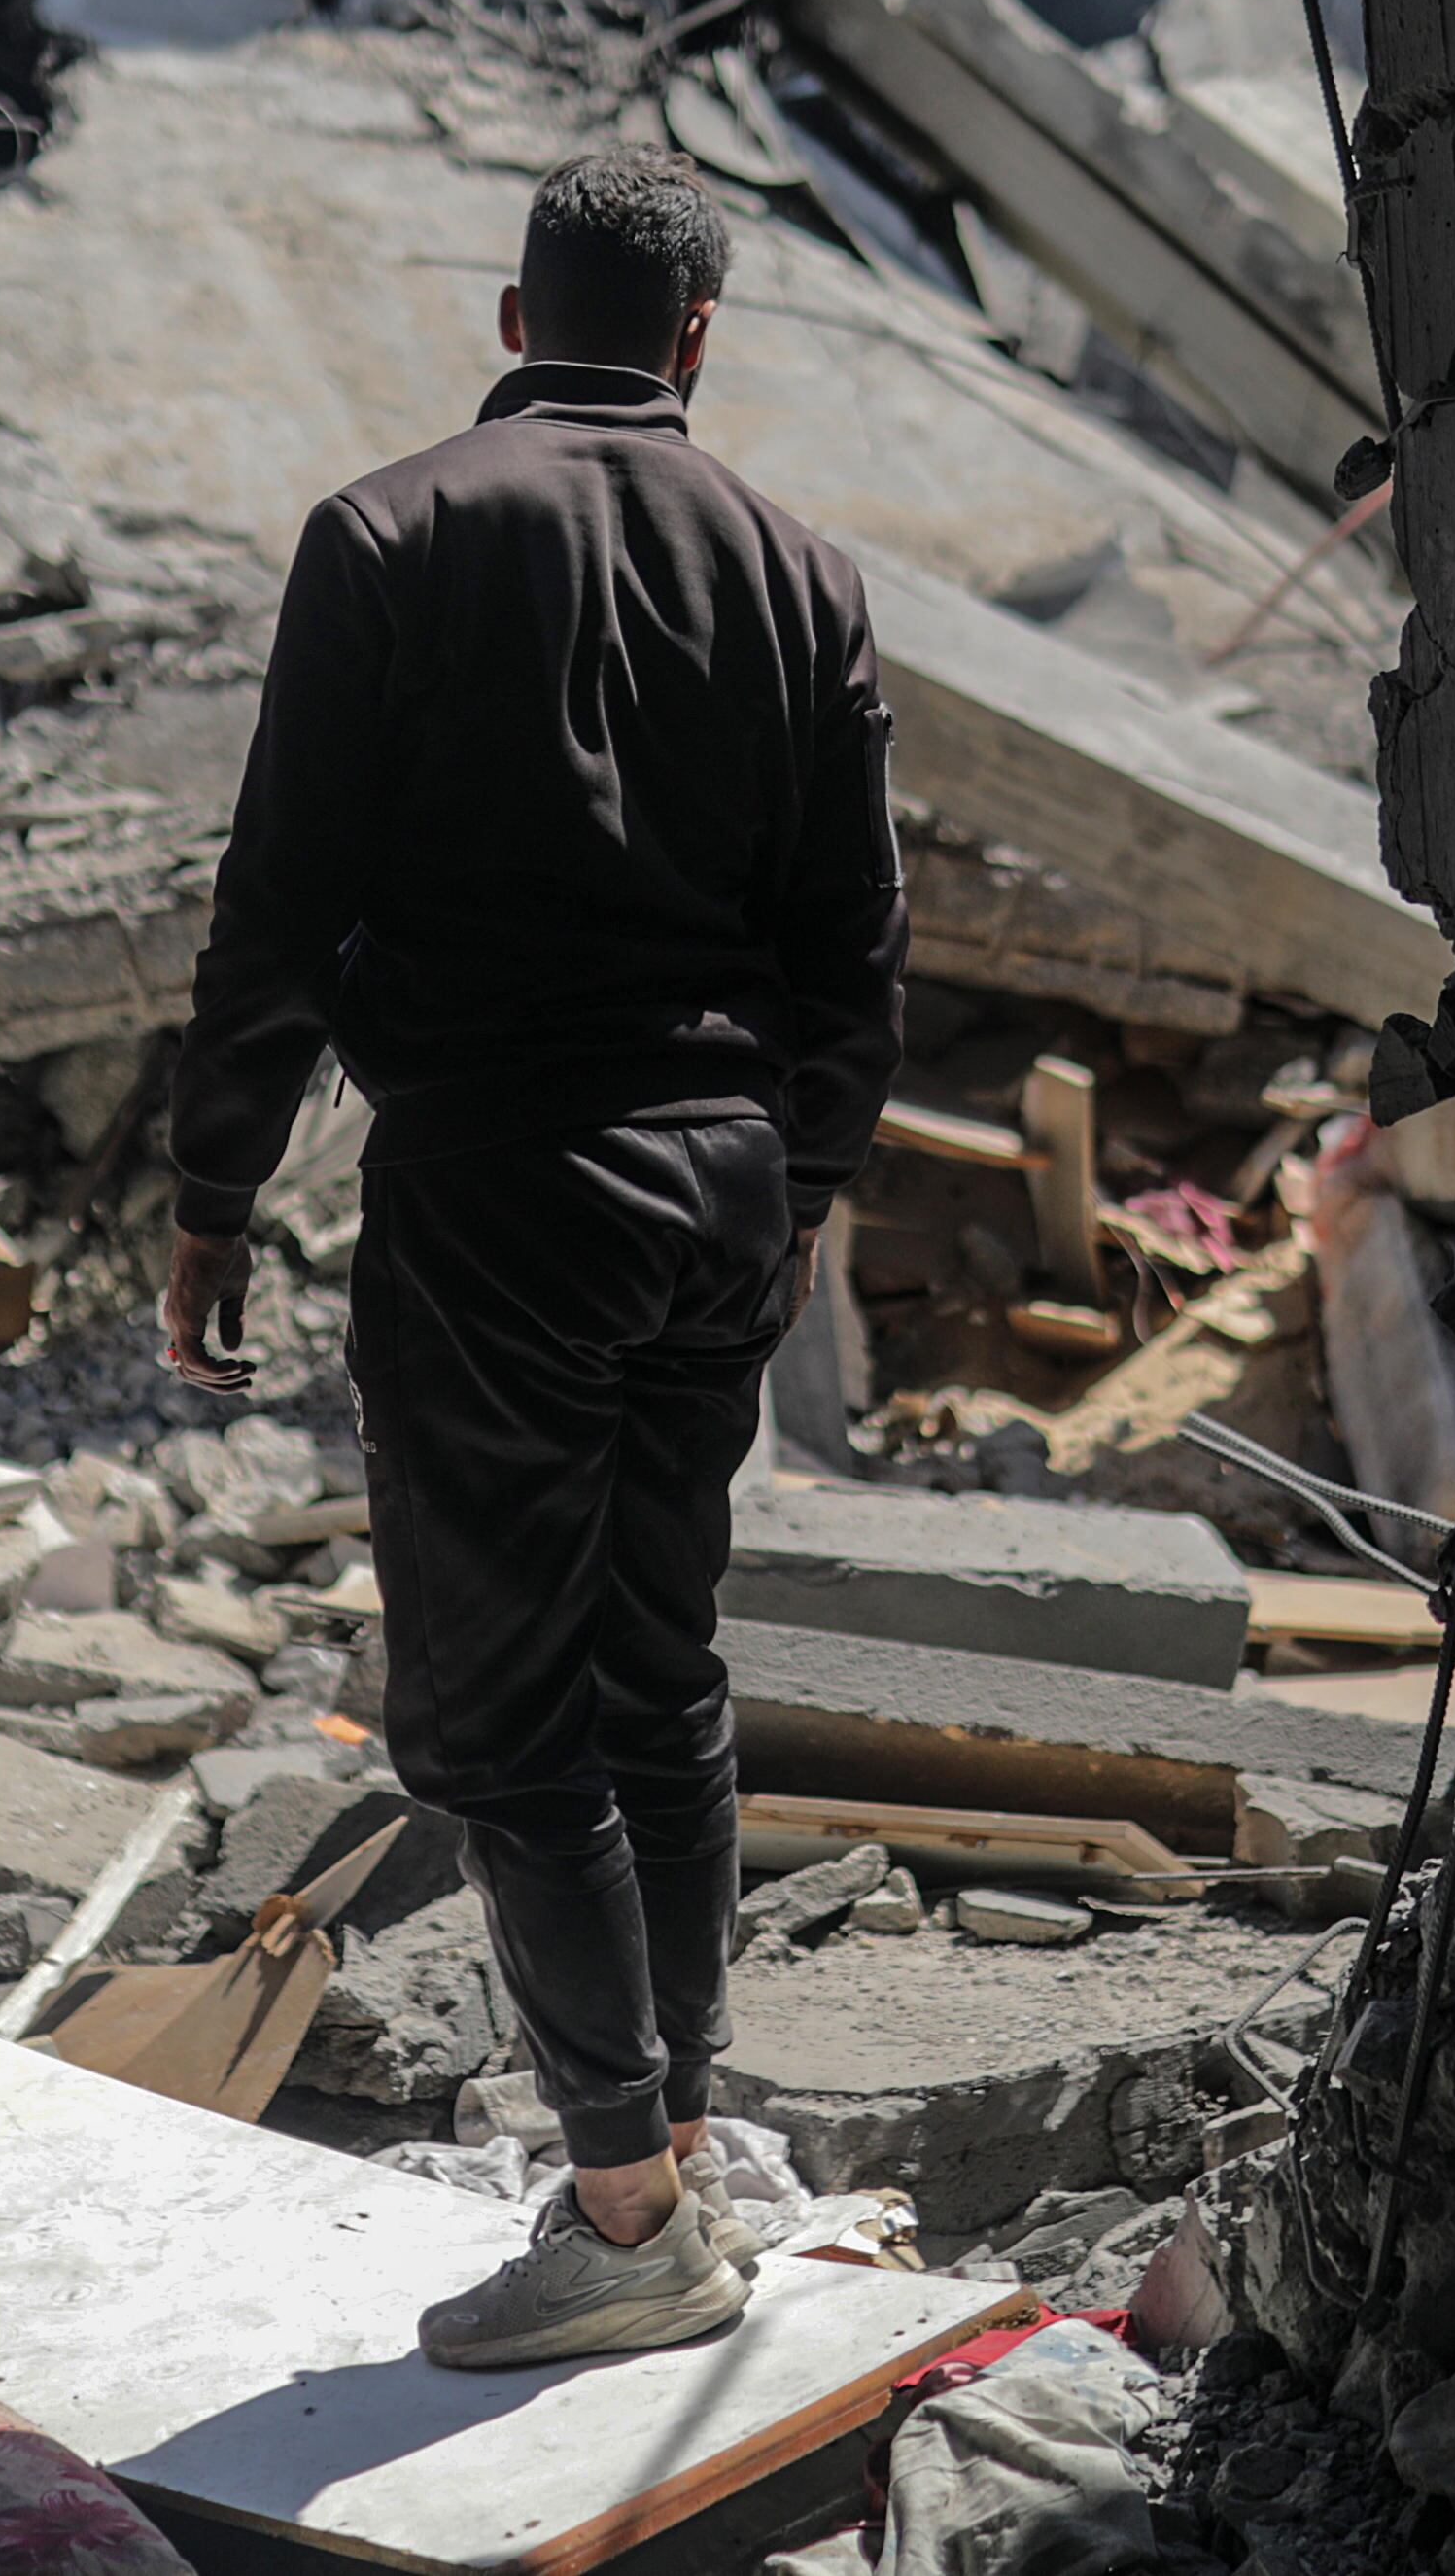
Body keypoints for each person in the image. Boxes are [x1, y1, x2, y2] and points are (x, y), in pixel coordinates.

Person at [156, 148, 906, 2370]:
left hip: (501, 1184)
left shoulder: (388, 532)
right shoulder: (800, 567)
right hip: (723, 1189)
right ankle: (670, 2130)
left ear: (512, 317)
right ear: (695, 338)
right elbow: (855, 929)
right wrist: (813, 1184)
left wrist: (216, 1190)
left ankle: (621, 2209)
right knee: (657, 1671)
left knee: (490, 1720)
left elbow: (275, 902)